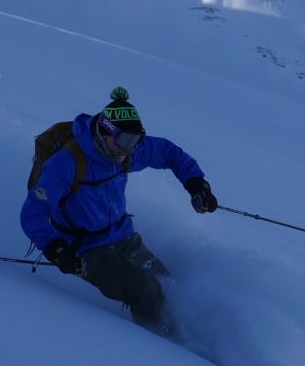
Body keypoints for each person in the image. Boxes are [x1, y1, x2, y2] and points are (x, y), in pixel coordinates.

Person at [20, 87, 218, 328]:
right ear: (105, 132)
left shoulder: (125, 153)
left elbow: (169, 153)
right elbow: (33, 212)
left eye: (136, 141)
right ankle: (164, 346)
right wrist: (56, 248)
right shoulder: (67, 163)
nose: (130, 148)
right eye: (125, 140)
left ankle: (189, 335)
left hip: (123, 237)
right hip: (85, 249)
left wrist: (196, 184)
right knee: (143, 288)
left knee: (167, 285)